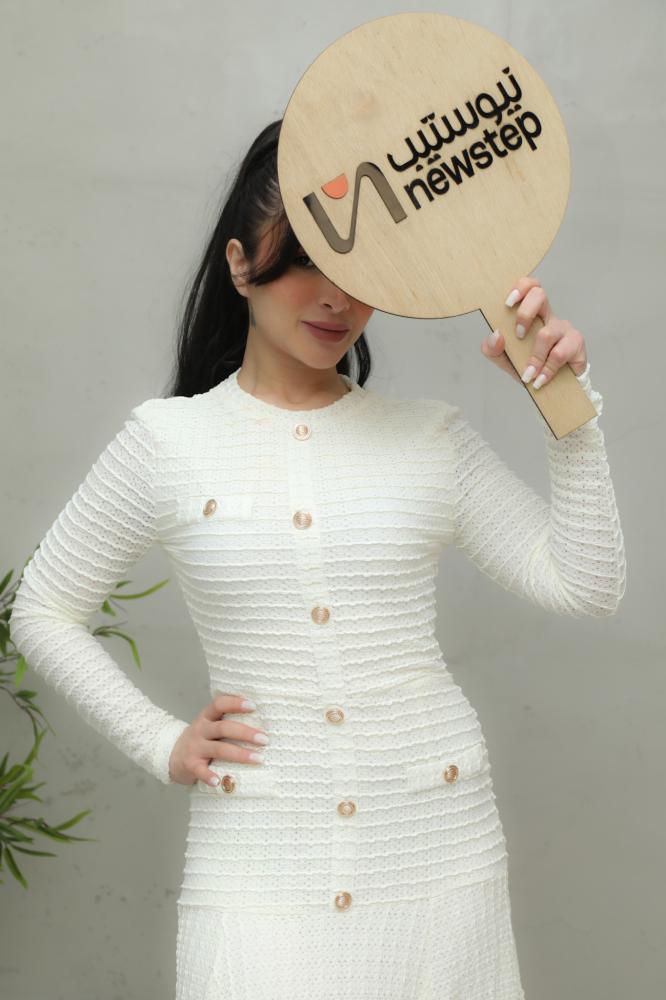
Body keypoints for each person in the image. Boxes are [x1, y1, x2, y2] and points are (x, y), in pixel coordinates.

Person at [10, 119, 626, 1000]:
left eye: (360, 273)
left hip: (437, 849)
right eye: (303, 262)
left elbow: (587, 584)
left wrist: (566, 405)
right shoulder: (168, 443)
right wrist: (161, 742)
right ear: (239, 264)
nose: (336, 298)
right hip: (260, 860)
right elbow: (42, 607)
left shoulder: (427, 439)